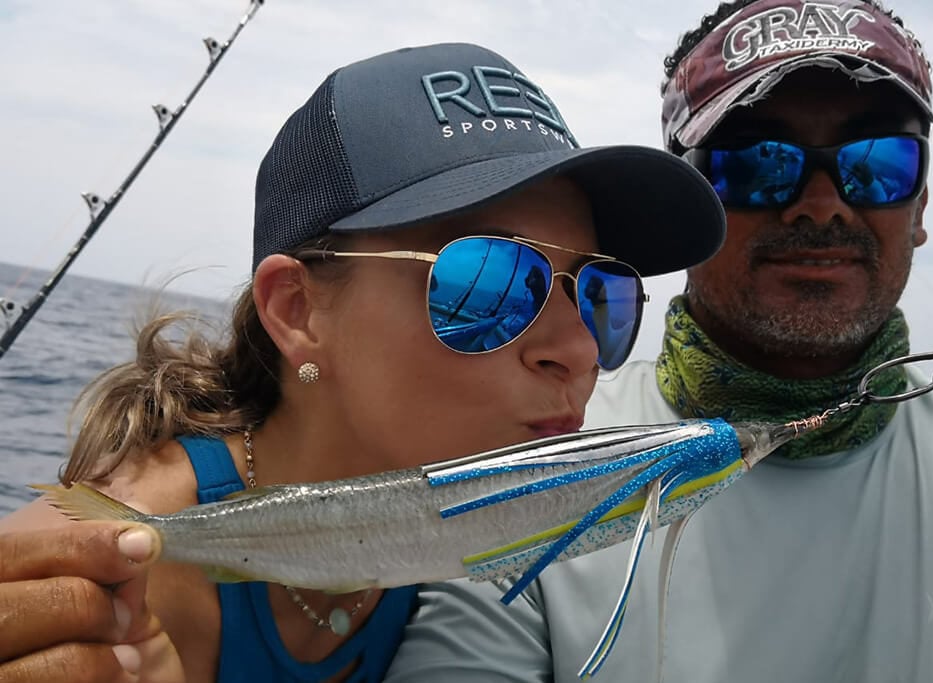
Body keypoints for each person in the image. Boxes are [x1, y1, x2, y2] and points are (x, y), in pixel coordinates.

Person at [0, 42, 725, 683]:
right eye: (490, 282)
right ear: (297, 311)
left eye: (603, 296)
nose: (578, 350)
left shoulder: (461, 521)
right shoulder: (107, 575)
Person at [384, 3, 933, 682]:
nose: (821, 203)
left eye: (878, 163)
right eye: (754, 165)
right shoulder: (535, 468)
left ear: (921, 205)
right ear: (685, 201)